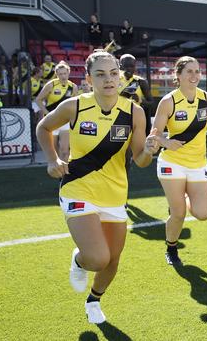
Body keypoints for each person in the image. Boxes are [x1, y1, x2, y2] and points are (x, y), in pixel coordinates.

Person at [35, 49, 160, 324]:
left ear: (120, 76)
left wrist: (149, 150)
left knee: (112, 261)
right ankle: (79, 261)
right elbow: (43, 128)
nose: (109, 80)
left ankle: (94, 300)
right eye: (101, 75)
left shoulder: (135, 113)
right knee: (97, 257)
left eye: (114, 73)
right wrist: (53, 159)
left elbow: (139, 161)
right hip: (77, 187)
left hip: (115, 195)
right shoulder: (75, 106)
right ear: (89, 79)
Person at [152, 56, 207, 266]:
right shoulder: (168, 101)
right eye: (189, 71)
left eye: (197, 71)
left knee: (203, 213)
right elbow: (154, 134)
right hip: (171, 163)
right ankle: (171, 249)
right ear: (178, 75)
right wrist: (165, 142)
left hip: (198, 164)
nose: (194, 75)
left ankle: (179, 201)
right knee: (179, 213)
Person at [36, 61, 78, 162]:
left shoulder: (73, 87)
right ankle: (59, 170)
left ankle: (65, 173)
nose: (63, 76)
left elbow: (75, 105)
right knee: (55, 150)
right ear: (57, 74)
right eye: (60, 74)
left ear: (68, 73)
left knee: (65, 150)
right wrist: (46, 112)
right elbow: (38, 100)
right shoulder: (51, 84)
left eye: (65, 73)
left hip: (65, 121)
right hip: (51, 121)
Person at [118, 54, 152, 134]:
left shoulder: (140, 81)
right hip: (118, 118)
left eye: (132, 66)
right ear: (120, 66)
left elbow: (151, 103)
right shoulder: (113, 80)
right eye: (126, 66)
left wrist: (140, 100)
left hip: (135, 118)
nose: (129, 68)